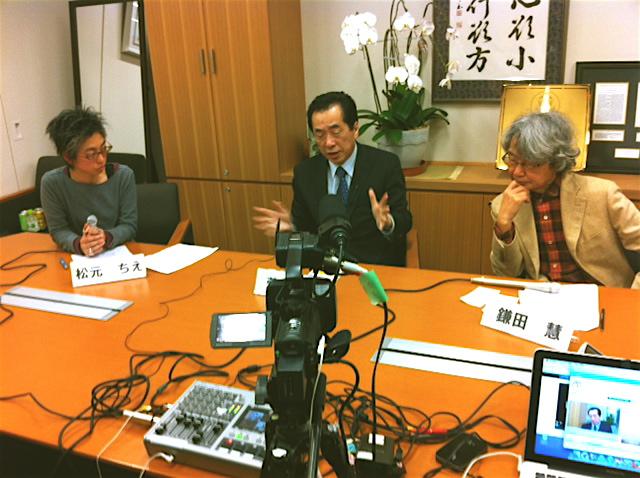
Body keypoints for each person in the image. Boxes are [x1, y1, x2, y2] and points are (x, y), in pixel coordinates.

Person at [253, 91, 412, 266]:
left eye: (336, 131)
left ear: (355, 129)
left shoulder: (385, 165)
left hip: (372, 266)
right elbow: (304, 227)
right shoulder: (305, 173)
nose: (328, 143)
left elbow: (404, 220)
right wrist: (292, 228)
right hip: (324, 267)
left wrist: (388, 223)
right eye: (320, 134)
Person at [490, 111, 640, 288]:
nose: (516, 172)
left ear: (556, 161)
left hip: (603, 293)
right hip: (542, 295)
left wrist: (631, 296)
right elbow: (506, 274)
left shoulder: (603, 194)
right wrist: (504, 225)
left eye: (530, 163)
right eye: (512, 159)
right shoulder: (504, 204)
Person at [41, 107, 137, 256]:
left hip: (120, 254)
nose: (101, 159)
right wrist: (79, 244)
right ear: (68, 157)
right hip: (77, 259)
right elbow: (58, 230)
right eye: (91, 154)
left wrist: (105, 237)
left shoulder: (123, 176)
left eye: (104, 149)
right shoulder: (52, 183)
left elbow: (129, 225)